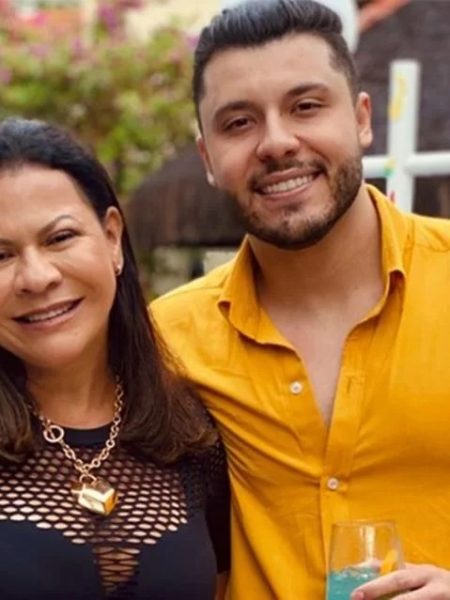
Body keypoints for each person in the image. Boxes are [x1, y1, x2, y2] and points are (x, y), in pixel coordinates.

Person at [151, 0, 450, 598]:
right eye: (239, 123)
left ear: (362, 119)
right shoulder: (169, 340)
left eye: (306, 106)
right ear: (208, 159)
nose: (277, 142)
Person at [0, 117, 229, 600]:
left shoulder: (192, 435)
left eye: (60, 238)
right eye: (1, 256)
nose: (37, 277)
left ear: (111, 238)